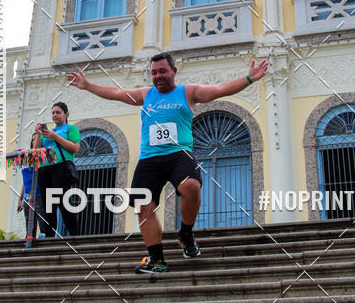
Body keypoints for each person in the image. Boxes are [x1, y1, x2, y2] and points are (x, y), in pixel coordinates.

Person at [67, 53, 268, 273]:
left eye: (162, 71)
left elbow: (220, 89)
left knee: (191, 186)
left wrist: (248, 79)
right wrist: (87, 85)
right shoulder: (146, 94)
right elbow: (116, 93)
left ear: (173, 71)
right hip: (149, 158)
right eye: (154, 72)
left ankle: (186, 234)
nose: (158, 76)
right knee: (144, 206)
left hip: (178, 153)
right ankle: (157, 260)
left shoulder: (187, 92)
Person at [33, 102, 81, 238]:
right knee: (48, 204)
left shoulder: (70, 129)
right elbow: (36, 151)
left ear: (66, 113)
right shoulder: (47, 133)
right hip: (45, 168)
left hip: (61, 167)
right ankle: (49, 234)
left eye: (58, 112)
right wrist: (38, 134)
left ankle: (74, 234)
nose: (55, 115)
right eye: (53, 113)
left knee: (62, 200)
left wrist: (55, 137)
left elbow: (74, 148)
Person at [17, 135, 45, 238]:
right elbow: (25, 182)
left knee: (43, 222)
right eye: (33, 139)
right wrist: (20, 199)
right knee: (29, 224)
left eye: (37, 138)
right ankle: (29, 243)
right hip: (27, 196)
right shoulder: (26, 159)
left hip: (40, 194)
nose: (35, 140)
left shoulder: (43, 157)